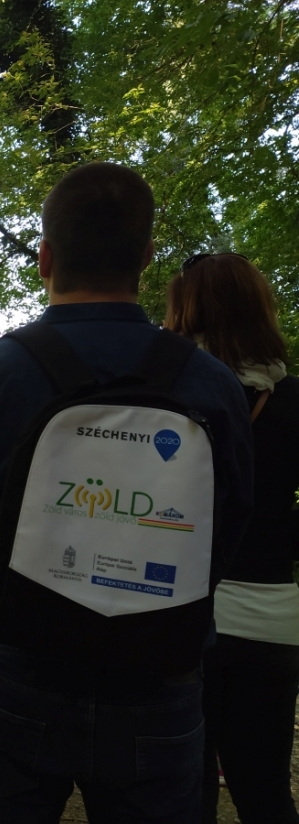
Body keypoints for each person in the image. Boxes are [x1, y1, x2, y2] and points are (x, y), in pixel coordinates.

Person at [0, 162, 254, 823]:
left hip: (14, 667)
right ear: (146, 257)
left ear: (45, 258)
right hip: (159, 672)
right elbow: (227, 528)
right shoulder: (213, 385)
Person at [165, 253, 299, 824]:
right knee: (265, 791)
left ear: (185, 311)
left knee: (182, 791)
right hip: (271, 616)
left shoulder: (168, 394)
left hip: (177, 610)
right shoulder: (293, 399)